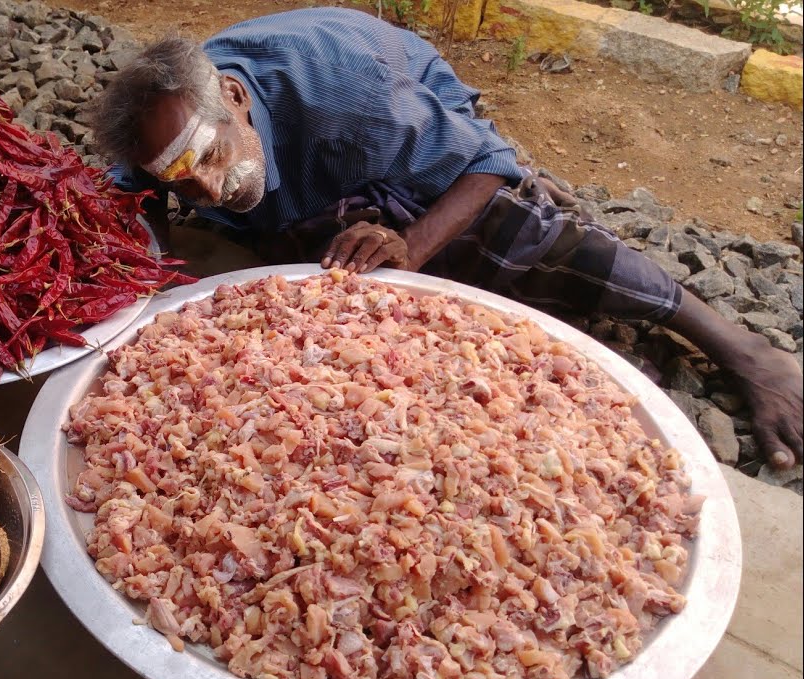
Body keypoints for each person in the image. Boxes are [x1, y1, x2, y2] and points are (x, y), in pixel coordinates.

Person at [85, 8, 803, 468]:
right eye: (184, 182)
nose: (208, 193)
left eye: (212, 158)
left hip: (401, 113)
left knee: (517, 240)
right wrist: (155, 270)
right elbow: (135, 189)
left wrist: (411, 244)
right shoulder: (164, 129)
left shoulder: (351, 96)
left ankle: (743, 347)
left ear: (237, 99)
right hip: (316, 153)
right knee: (315, 250)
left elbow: (487, 167)